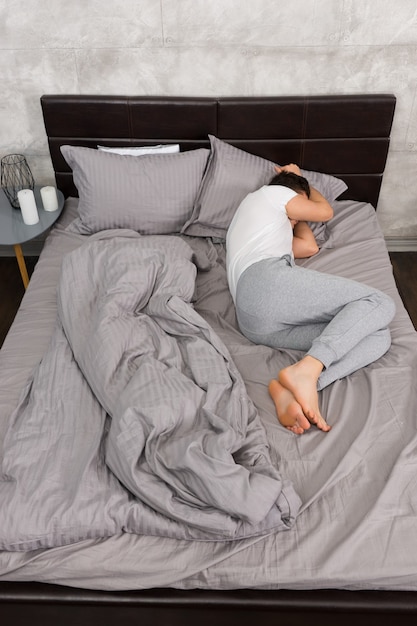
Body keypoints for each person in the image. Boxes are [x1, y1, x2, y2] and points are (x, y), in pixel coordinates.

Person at [226, 164, 396, 435]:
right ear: (291, 196)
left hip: (255, 323)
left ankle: (297, 386)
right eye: (298, 212)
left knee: (377, 333)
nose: (295, 223)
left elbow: (309, 247)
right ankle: (306, 369)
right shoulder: (270, 194)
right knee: (378, 303)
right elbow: (325, 212)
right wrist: (302, 178)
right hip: (265, 283)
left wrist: (295, 219)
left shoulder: (261, 232)